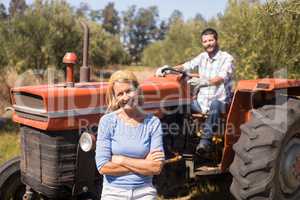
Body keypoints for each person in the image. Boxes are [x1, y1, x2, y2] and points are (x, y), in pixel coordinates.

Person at [156, 28, 235, 154]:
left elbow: (221, 78)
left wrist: (204, 82)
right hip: (201, 103)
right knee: (179, 104)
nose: (208, 43)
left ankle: (205, 142)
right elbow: (186, 66)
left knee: (215, 103)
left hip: (221, 103)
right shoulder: (202, 57)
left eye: (211, 40)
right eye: (205, 41)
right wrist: (168, 69)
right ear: (202, 43)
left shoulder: (227, 58)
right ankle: (167, 139)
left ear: (216, 40)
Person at [95, 70, 165, 200]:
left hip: (144, 192)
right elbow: (103, 166)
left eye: (128, 91)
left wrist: (121, 160)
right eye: (120, 94)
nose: (125, 97)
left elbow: (156, 167)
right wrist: (144, 163)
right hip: (113, 192)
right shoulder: (107, 122)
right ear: (115, 97)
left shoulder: (153, 123)